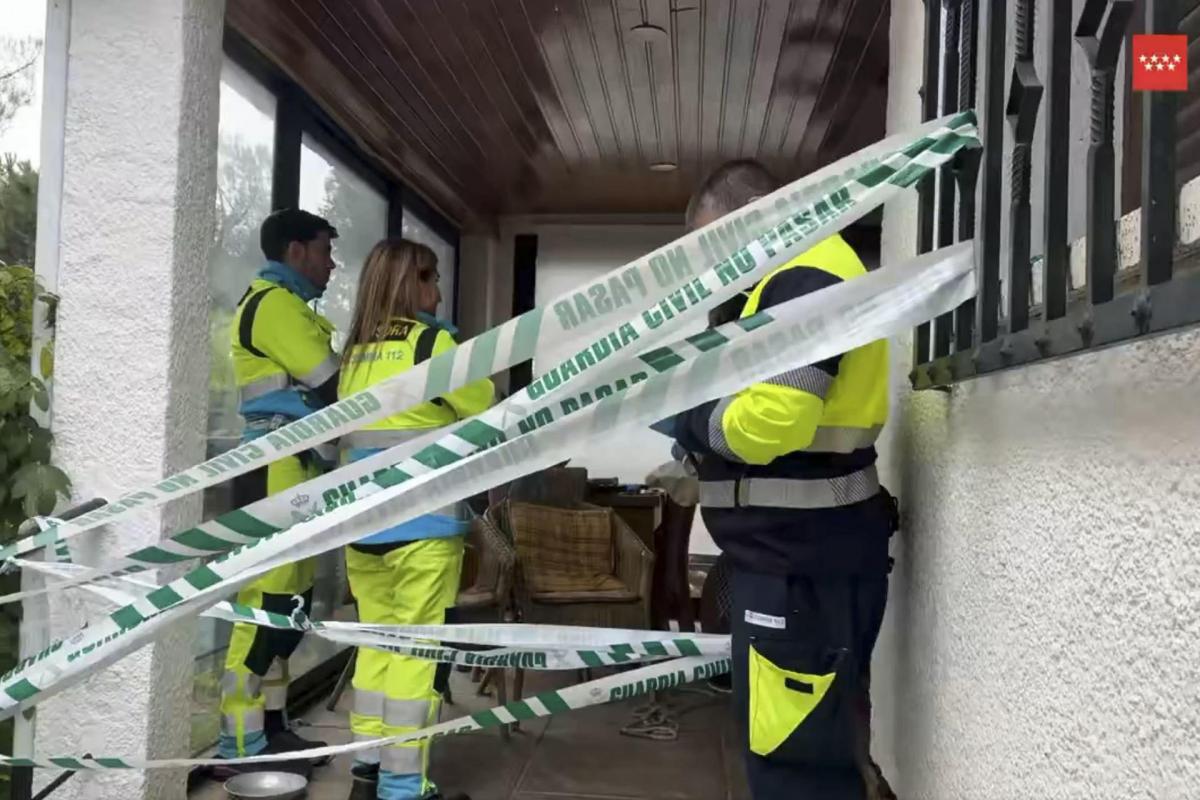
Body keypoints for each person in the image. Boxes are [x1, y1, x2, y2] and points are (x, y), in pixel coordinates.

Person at [661, 160, 899, 800]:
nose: (712, 268)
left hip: (803, 565)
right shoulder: (780, 283)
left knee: (794, 766)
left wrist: (690, 420)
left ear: (755, 216)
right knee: (792, 749)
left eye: (715, 244)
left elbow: (777, 420)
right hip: (798, 560)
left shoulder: (806, 274)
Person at [337, 238, 494, 800]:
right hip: (423, 527)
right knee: (415, 653)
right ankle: (404, 788)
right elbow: (486, 404)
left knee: (376, 646)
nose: (439, 290)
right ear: (413, 283)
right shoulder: (432, 342)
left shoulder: (353, 352)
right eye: (431, 278)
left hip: (364, 529)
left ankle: (368, 771)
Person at [216, 208, 342, 777]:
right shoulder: (274, 306)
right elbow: (331, 380)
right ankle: (239, 745)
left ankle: (271, 726)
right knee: (265, 604)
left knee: (289, 605)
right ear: (296, 252)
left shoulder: (288, 305)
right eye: (324, 252)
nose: (332, 264)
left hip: (296, 464)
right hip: (274, 467)